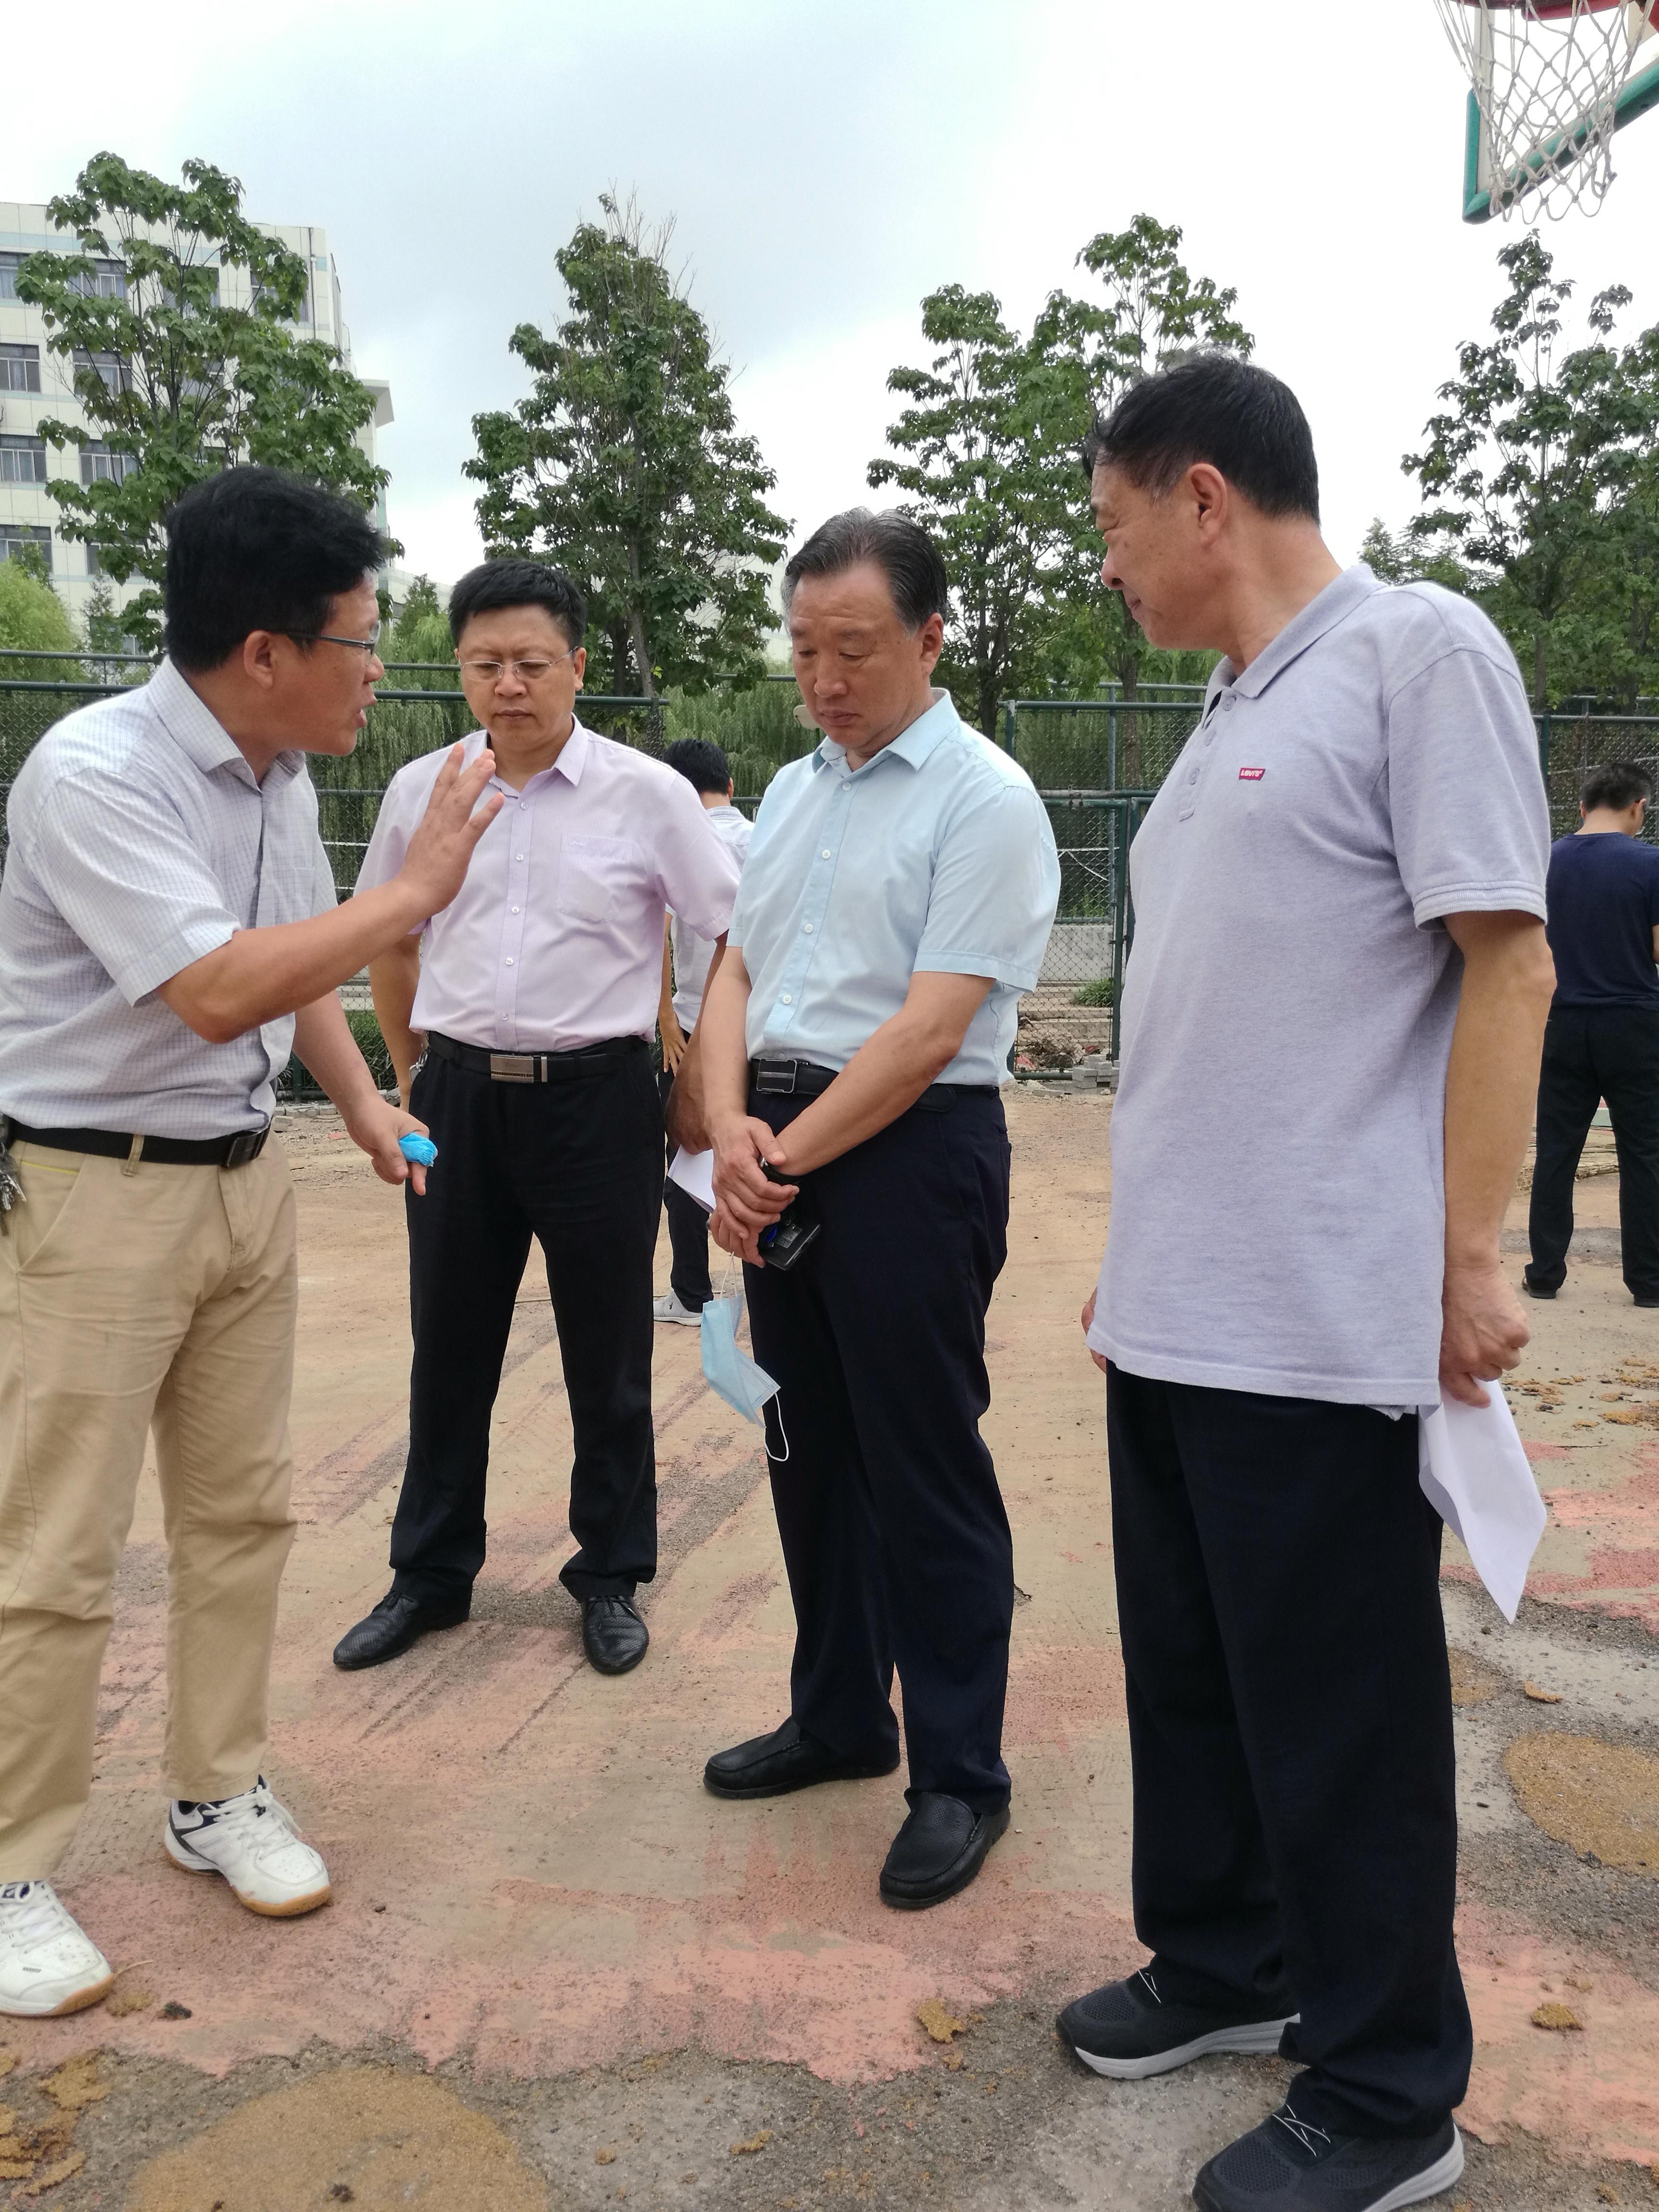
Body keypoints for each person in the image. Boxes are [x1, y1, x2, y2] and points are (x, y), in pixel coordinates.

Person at [1059, 358, 1554, 2212]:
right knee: (1192, 1675)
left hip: (1320, 1314)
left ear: (1202, 497)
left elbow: (1504, 960)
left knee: (1340, 1710)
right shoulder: (1224, 706)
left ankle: (1388, 2083)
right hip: (1177, 1303)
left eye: (1114, 527)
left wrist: (1469, 1252)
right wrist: (1132, 1266)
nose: (1108, 566)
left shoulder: (1412, 652)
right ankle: (1224, 1953)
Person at [0, 466, 499, 2018]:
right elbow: (215, 987)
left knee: (240, 1516)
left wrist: (361, 1102)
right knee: (56, 1544)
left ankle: (214, 1790)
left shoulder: (277, 778)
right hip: (93, 1197)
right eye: (361, 638)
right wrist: (416, 893)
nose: (379, 669)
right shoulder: (96, 775)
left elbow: (289, 978)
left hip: (237, 1183)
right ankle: (9, 1863)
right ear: (266, 649)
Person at [679, 508, 1060, 1910]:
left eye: (854, 647)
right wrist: (726, 1123)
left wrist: (770, 1158)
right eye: (804, 650)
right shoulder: (792, 793)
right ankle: (839, 1713)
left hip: (909, 1150)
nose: (826, 678)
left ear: (928, 636)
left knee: (920, 1459)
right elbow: (735, 970)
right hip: (776, 1132)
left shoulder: (983, 799)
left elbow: (927, 1028)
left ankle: (960, 1774)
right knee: (805, 1445)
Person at [333, 558, 741, 1681]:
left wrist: (698, 1078)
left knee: (607, 1349)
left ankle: (609, 1572)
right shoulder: (424, 790)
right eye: (484, 664)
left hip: (599, 1103)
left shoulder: (645, 794)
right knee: (448, 1342)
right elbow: (388, 934)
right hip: (457, 1099)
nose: (507, 684)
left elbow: (728, 933)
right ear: (460, 669)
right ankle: (430, 1573)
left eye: (529, 662)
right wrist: (411, 1073)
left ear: (576, 665)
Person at [1525, 761, 1659, 1308]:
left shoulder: (1545, 862)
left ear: (1582, 808)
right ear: (1639, 807)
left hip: (1561, 1019)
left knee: (1557, 1150)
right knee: (1644, 1152)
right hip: (1633, 1022)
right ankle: (1649, 1282)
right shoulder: (1650, 864)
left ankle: (1545, 1274)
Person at [654, 737, 753, 1325]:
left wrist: (666, 1020)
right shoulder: (764, 839)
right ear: (730, 787)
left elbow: (654, 932)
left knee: (686, 1156)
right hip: (759, 1029)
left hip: (695, 1029)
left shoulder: (683, 842)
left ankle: (691, 1294)